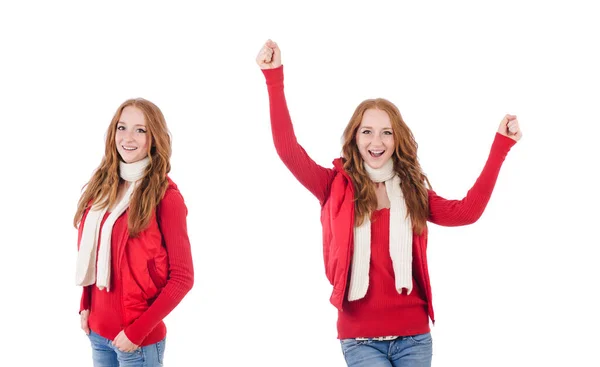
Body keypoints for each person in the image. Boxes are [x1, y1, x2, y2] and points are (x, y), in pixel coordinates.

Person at [256, 39, 522, 367]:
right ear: (355, 137)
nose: (376, 141)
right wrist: (274, 77)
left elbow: (467, 212)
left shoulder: (412, 192)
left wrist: (501, 147)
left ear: (397, 140)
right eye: (367, 132)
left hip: (414, 338)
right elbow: (287, 149)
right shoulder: (333, 185)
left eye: (386, 133)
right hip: (360, 339)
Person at [74, 98, 194, 366]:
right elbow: (91, 253)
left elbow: (183, 278)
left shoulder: (166, 196)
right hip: (97, 334)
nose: (128, 137)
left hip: (137, 343)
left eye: (140, 130)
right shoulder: (102, 186)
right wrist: (86, 304)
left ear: (154, 138)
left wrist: (136, 332)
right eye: (122, 127)